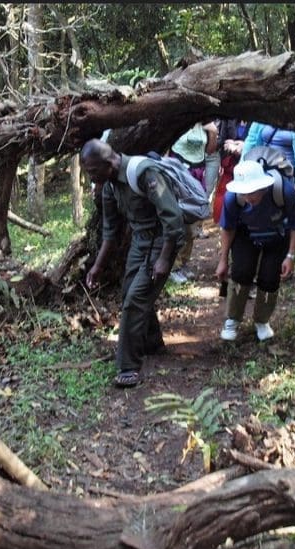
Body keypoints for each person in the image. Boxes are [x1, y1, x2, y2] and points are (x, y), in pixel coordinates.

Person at [82, 138, 185, 388]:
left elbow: (173, 219)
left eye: (93, 171)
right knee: (130, 291)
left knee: (136, 299)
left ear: (109, 163)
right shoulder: (109, 186)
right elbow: (110, 231)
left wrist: (163, 259)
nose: (90, 177)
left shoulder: (144, 173)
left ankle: (128, 367)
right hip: (141, 242)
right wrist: (97, 266)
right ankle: (152, 343)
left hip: (164, 240)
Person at [215, 160, 295, 342]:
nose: (248, 198)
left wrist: (290, 255)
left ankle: (262, 321)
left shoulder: (285, 192)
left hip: (277, 236)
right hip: (246, 236)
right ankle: (232, 319)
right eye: (245, 193)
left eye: (252, 192)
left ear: (263, 186)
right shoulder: (233, 198)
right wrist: (223, 259)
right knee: (241, 272)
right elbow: (228, 228)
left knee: (270, 277)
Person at [166, 121, 218, 283]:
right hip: (178, 171)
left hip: (197, 173)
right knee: (177, 220)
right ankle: (172, 266)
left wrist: (213, 132)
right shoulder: (177, 118)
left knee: (192, 221)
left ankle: (183, 263)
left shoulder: (205, 123)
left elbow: (209, 151)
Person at [241, 122, 295, 197]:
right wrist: (241, 169)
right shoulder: (263, 113)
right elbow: (251, 141)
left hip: (288, 175)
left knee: (286, 205)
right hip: (263, 171)